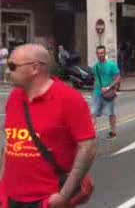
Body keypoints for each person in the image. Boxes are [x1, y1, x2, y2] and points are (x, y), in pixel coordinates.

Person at [0, 44, 96, 207]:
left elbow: (88, 148)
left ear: (35, 68)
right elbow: (9, 145)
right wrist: (2, 186)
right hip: (11, 198)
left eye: (12, 66)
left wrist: (64, 196)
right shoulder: (15, 98)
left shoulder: (69, 99)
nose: (8, 72)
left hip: (46, 200)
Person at [92, 45, 121, 139]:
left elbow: (118, 78)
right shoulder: (95, 67)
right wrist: (94, 89)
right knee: (93, 113)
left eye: (102, 53)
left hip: (109, 93)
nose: (100, 55)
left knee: (111, 113)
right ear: (96, 54)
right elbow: (95, 79)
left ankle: (113, 132)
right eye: (98, 53)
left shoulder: (111, 65)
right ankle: (92, 134)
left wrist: (110, 87)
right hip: (97, 93)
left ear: (105, 53)